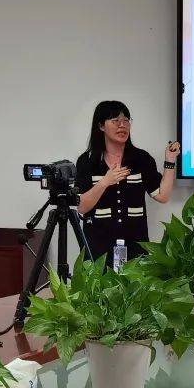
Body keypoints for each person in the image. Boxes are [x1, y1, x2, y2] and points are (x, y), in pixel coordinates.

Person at [75, 100, 180, 266]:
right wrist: (105, 182)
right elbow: (82, 207)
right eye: (115, 121)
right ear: (101, 126)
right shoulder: (87, 161)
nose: (122, 126)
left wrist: (170, 161)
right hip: (98, 247)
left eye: (126, 121)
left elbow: (162, 195)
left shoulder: (141, 159)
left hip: (135, 246)